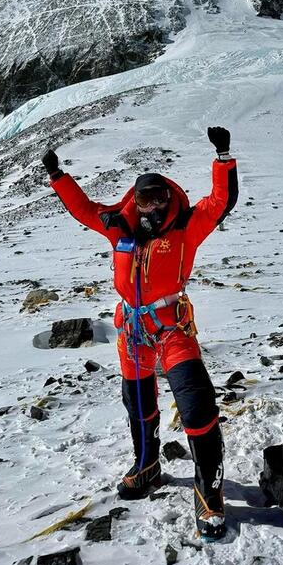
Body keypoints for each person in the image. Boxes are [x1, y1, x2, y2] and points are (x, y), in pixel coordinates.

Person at [40, 127, 238, 540]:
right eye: (145, 200)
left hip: (171, 328)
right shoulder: (118, 226)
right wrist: (59, 177)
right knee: (138, 404)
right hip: (131, 330)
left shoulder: (187, 226)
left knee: (197, 404)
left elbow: (222, 203)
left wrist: (223, 158)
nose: (153, 207)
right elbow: (83, 209)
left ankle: (209, 493)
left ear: (169, 199)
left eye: (159, 198)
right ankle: (147, 466)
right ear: (136, 201)